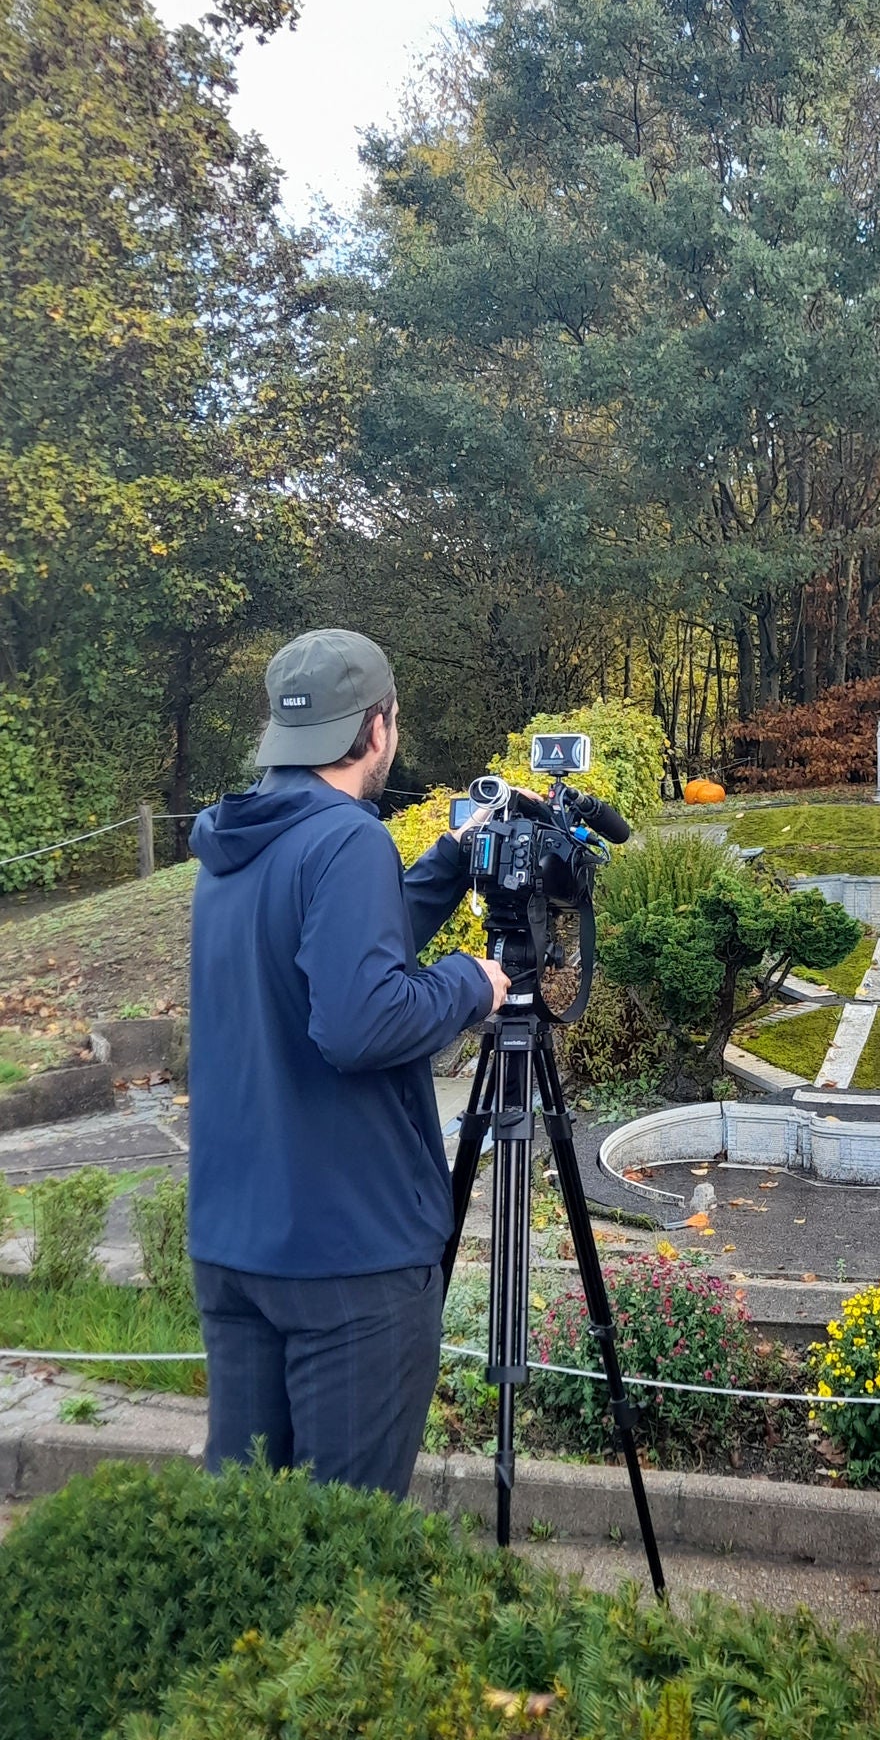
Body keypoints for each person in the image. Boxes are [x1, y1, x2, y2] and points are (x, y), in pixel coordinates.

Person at [186, 628, 511, 1496]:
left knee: (249, 1537)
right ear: (378, 727)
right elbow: (360, 1021)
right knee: (344, 1551)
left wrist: (447, 864)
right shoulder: (349, 840)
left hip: (238, 1245)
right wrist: (470, 984)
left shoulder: (232, 845)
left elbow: (326, 960)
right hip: (348, 1261)